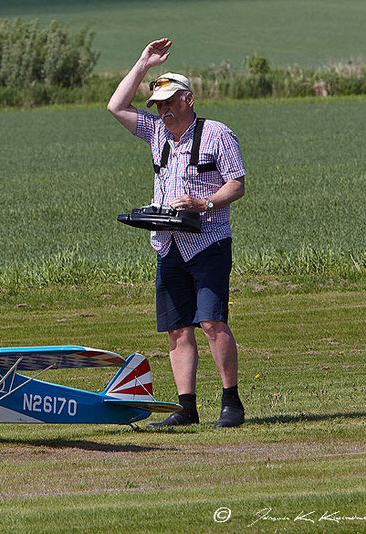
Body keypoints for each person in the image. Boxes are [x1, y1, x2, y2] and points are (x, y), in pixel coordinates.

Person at [107, 38, 246, 428]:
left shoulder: (217, 134)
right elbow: (115, 106)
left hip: (208, 242)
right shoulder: (155, 133)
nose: (163, 110)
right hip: (167, 244)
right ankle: (186, 407)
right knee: (176, 328)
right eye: (158, 104)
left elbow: (237, 184)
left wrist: (204, 204)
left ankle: (230, 402)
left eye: (169, 102)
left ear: (189, 99)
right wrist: (142, 63)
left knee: (212, 322)